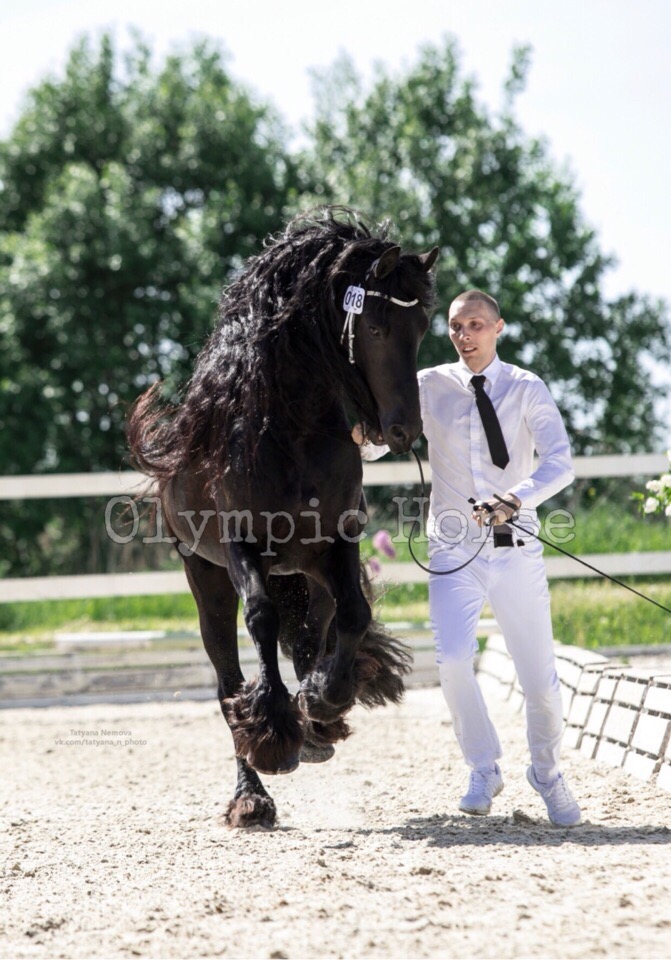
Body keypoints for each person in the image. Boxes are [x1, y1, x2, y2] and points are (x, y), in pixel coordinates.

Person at [355, 289, 582, 827]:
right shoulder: (428, 385)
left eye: (476, 324)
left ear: (498, 328)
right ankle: (484, 767)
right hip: (452, 550)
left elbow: (561, 463)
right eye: (457, 326)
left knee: (539, 680)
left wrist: (516, 498)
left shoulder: (526, 387)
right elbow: (380, 443)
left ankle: (547, 773)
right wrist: (360, 436)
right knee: (454, 660)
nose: (465, 335)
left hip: (515, 549)